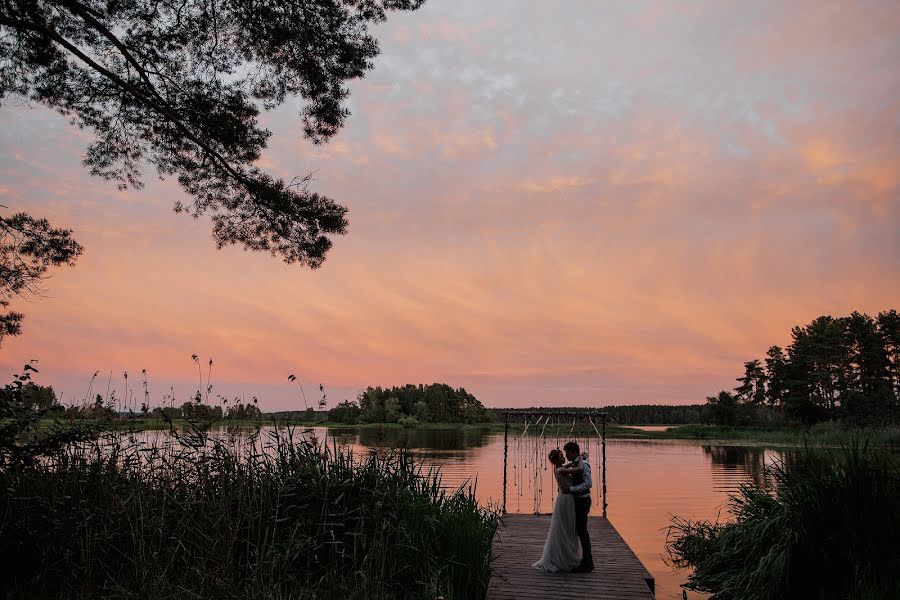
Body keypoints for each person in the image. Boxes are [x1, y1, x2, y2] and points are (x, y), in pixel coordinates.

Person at [531, 449, 581, 572]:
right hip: (566, 499)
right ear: (557, 460)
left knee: (566, 526)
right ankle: (564, 557)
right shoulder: (560, 470)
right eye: (561, 456)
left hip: (565, 498)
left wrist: (575, 460)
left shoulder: (560, 468)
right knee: (566, 526)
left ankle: (565, 555)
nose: (564, 458)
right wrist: (580, 460)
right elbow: (579, 469)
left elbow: (568, 465)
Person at [563, 441, 594, 572]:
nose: (566, 455)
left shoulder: (584, 465)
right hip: (577, 501)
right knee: (579, 531)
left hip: (583, 501)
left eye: (567, 453)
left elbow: (588, 484)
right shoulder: (576, 463)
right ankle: (584, 560)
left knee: (582, 532)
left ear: (574, 452)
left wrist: (572, 489)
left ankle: (587, 563)